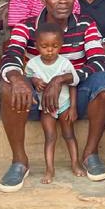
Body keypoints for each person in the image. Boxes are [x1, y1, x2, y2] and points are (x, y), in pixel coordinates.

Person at [0, 0, 105, 192]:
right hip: (36, 101)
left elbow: (98, 61)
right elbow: (11, 55)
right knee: (8, 85)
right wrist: (18, 78)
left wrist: (61, 79)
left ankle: (90, 154)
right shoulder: (26, 26)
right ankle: (19, 161)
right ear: (43, 0)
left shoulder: (86, 24)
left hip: (72, 101)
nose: (63, 1)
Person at [24, 22, 83, 184]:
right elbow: (27, 78)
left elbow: (73, 85)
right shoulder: (33, 64)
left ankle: (75, 163)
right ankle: (49, 169)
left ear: (61, 45)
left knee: (69, 135)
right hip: (46, 108)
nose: (50, 50)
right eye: (44, 46)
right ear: (37, 45)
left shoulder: (64, 63)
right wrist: (34, 81)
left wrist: (73, 107)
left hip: (64, 105)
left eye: (55, 46)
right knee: (50, 138)